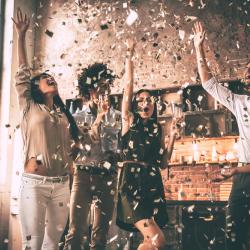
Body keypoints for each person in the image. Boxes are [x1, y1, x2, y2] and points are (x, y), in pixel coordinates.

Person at [12, 8, 79, 250]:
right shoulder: (29, 106)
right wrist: (21, 36)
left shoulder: (61, 115)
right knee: (34, 245)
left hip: (61, 185)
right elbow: (21, 74)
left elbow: (72, 145)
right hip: (35, 184)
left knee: (53, 245)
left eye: (52, 76)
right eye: (44, 77)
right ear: (36, 87)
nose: (50, 78)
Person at [116, 39, 178, 250]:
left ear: (154, 105)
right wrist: (129, 55)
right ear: (135, 104)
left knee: (148, 243)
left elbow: (163, 163)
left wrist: (173, 139)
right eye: (141, 99)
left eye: (149, 100)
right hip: (132, 184)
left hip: (152, 185)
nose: (145, 103)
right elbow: (128, 88)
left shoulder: (158, 129)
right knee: (157, 240)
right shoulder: (129, 121)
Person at [193, 21, 250, 250]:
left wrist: (236, 170)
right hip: (244, 179)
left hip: (242, 172)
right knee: (234, 234)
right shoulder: (241, 103)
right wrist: (199, 48)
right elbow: (208, 83)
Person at [63, 63, 122, 250]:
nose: (104, 90)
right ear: (90, 89)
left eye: (107, 86)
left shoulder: (117, 116)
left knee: (101, 235)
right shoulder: (77, 117)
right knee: (76, 232)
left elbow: (120, 148)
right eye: (100, 86)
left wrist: (117, 156)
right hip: (83, 176)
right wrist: (99, 118)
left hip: (108, 178)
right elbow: (78, 149)